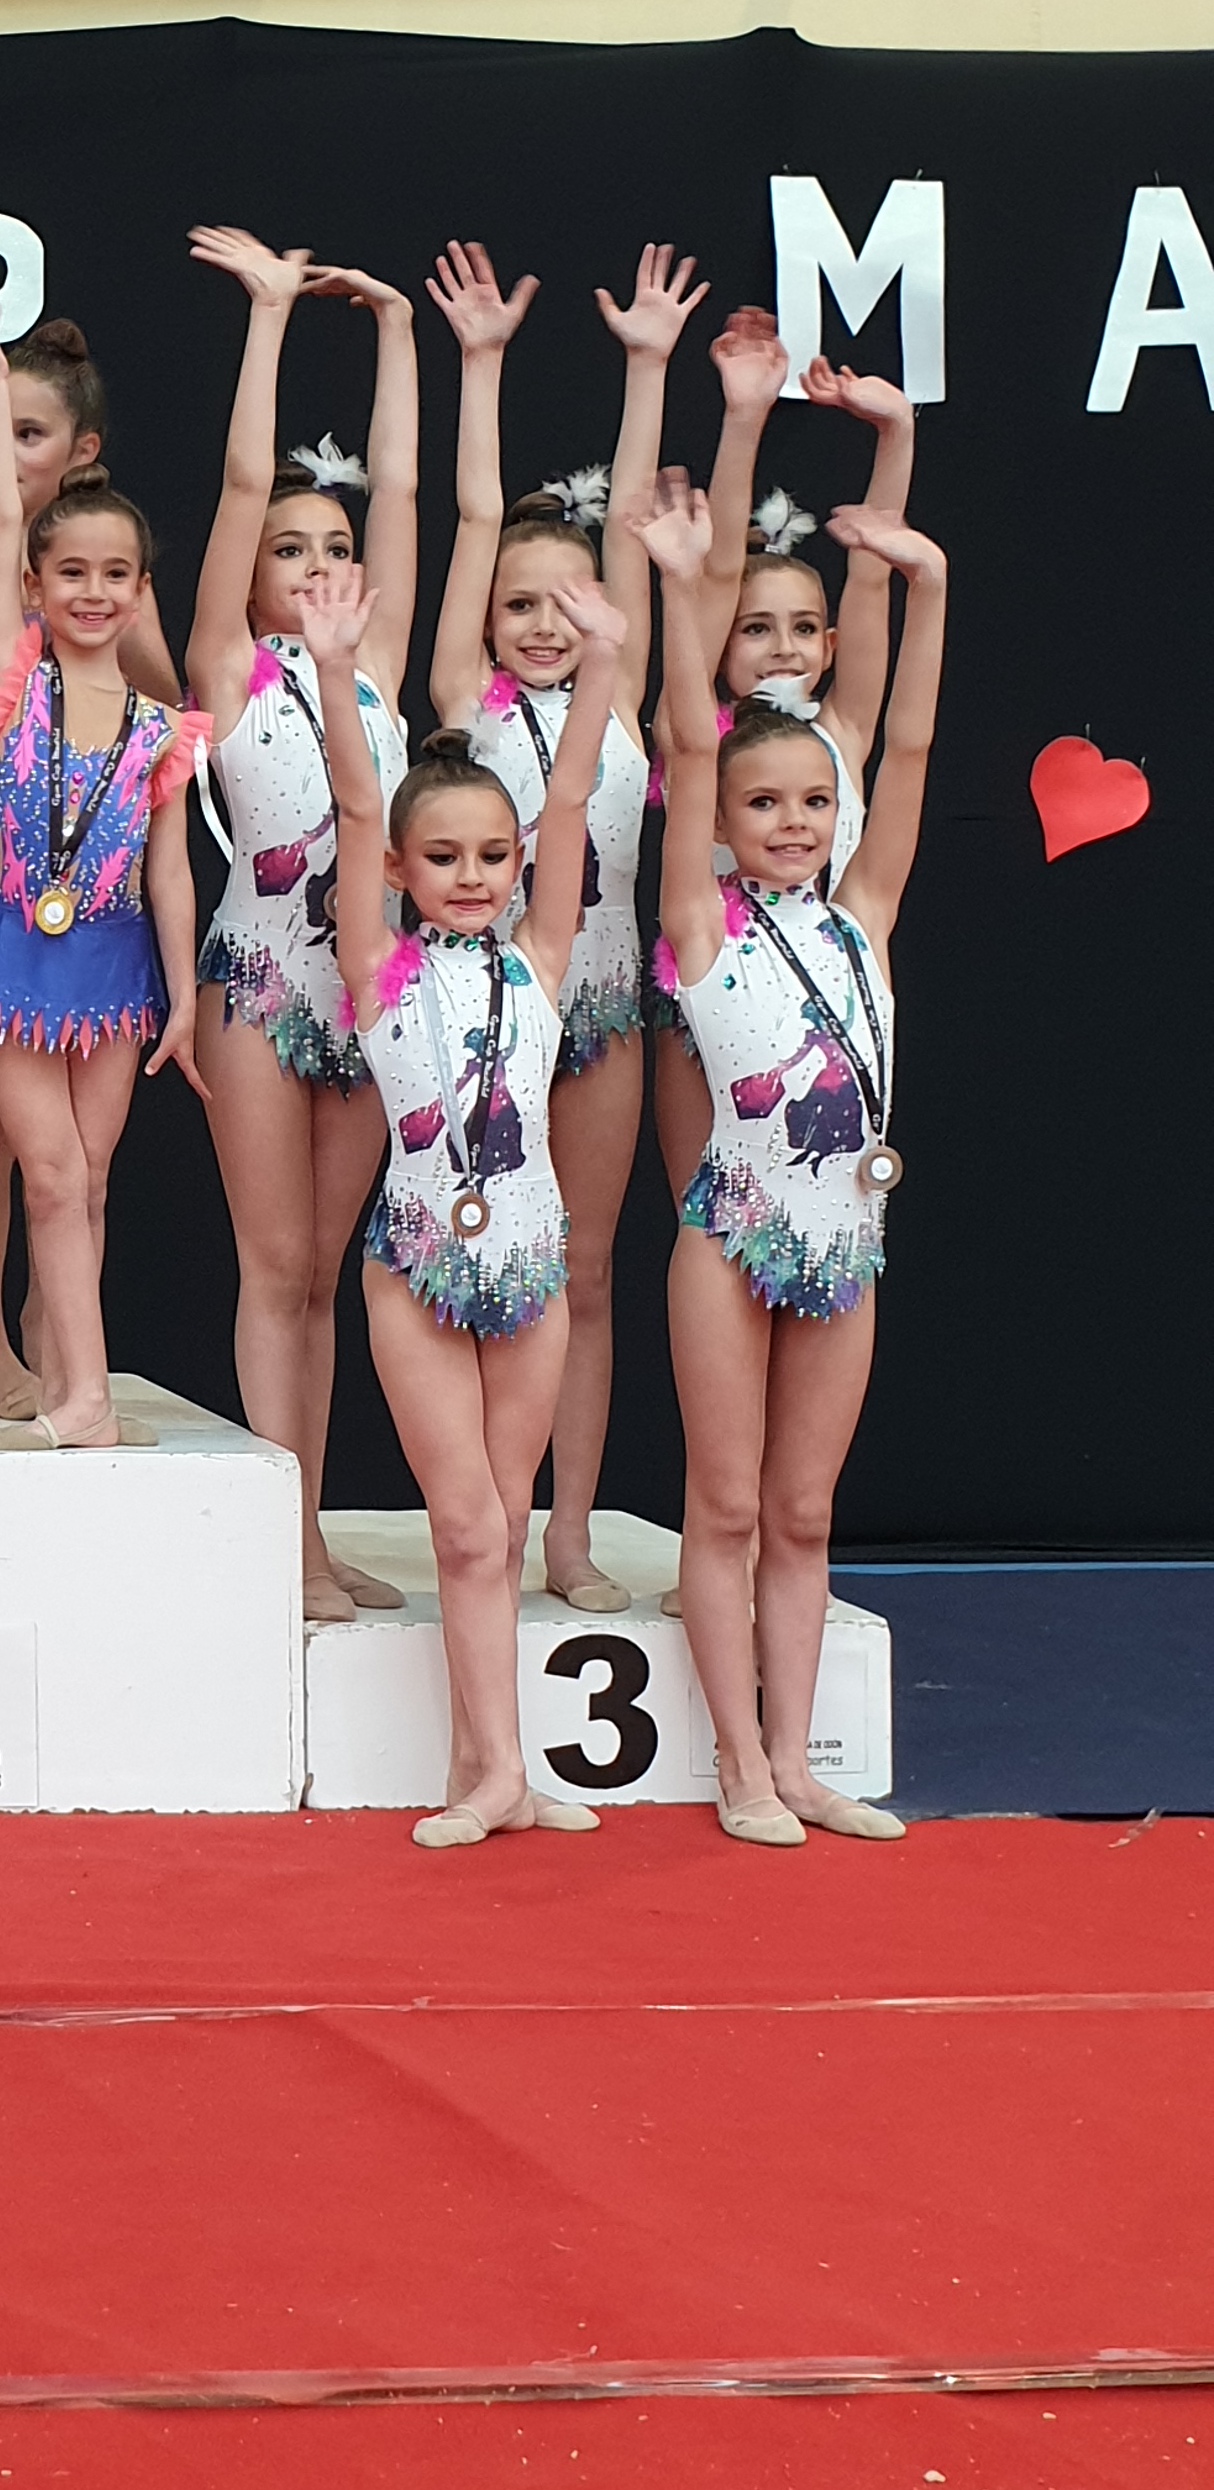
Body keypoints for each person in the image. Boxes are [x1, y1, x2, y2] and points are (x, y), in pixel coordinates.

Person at [298, 552, 628, 1846]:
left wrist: (606, 661)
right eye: (445, 857)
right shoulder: (376, 968)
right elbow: (352, 803)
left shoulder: (544, 958)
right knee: (466, 1519)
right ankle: (492, 1775)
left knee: (501, 1524)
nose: (476, 874)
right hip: (417, 1268)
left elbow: (572, 795)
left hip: (531, 1267)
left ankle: (494, 1773)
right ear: (401, 870)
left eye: (495, 854)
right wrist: (336, 671)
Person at [636, 470, 944, 1843]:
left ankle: (801, 1762)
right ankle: (741, 1766)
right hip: (731, 1233)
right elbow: (685, 741)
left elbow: (911, 746)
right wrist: (681, 587)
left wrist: (928, 586)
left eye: (815, 802)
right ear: (720, 820)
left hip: (845, 1243)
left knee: (806, 1510)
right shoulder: (702, 927)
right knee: (727, 1504)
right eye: (764, 804)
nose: (795, 823)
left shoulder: (863, 915)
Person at [423, 236, 696, 1610]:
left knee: (582, 1274)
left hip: (597, 1012)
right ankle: (481, 1512)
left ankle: (567, 1533)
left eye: (563, 604)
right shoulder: (462, 704)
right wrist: (479, 367)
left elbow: (636, 528)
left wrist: (647, 369)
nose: (541, 624)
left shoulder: (619, 694)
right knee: (483, 1263)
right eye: (517, 604)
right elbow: (474, 513)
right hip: (478, 1026)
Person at [181, 225, 421, 1624]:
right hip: (265, 983)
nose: (322, 564)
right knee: (275, 1270)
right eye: (293, 548)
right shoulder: (229, 663)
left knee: (326, 1278)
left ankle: (311, 1532)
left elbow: (403, 489)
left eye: (337, 547)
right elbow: (235, 480)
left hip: (368, 994)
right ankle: (288, 1548)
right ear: (254, 572)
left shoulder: (374, 665)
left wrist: (397, 330)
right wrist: (271, 314)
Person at [0, 289, 207, 1454]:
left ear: (140, 590)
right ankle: (85, 1401)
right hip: (14, 952)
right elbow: (6, 516)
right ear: (37, 588)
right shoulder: (12, 686)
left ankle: (70, 1385)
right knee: (48, 1174)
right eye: (72, 575)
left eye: (116, 576)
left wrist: (184, 997)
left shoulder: (160, 727)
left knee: (87, 1182)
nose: (93, 593)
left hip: (114, 966)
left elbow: (171, 873)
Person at [652, 306, 919, 1206]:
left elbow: (875, 566)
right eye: (755, 629)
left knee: (823, 1203)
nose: (782, 648)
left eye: (804, 628)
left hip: (828, 992)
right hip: (711, 997)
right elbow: (715, 572)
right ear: (720, 640)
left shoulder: (841, 730)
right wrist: (744, 418)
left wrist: (896, 435)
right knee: (711, 1208)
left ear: (830, 645)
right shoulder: (699, 735)